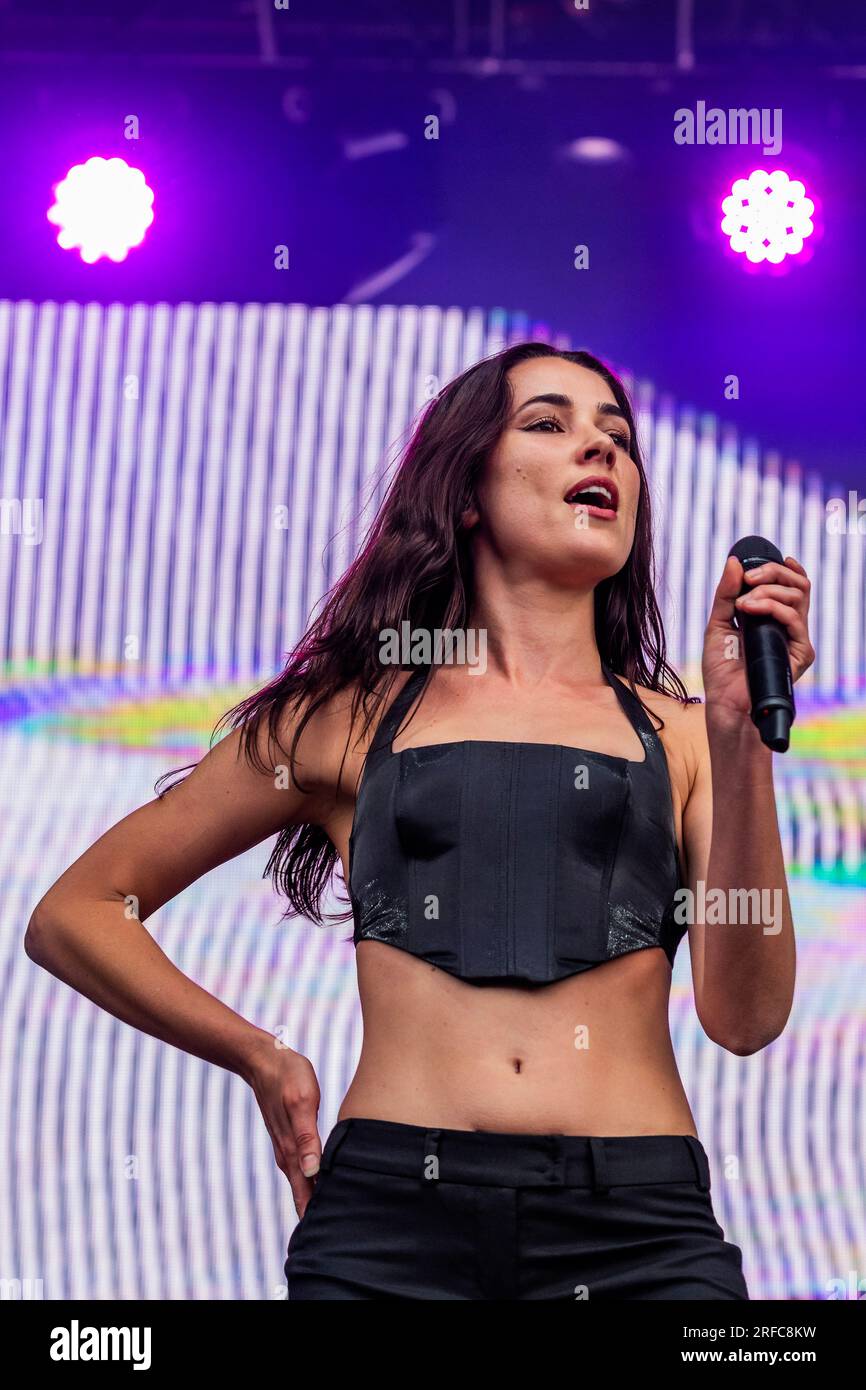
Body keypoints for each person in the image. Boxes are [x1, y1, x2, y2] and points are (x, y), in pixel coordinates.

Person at [25, 343, 814, 1300]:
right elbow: (78, 911)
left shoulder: (684, 735)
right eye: (549, 424)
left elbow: (747, 1016)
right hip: (389, 1226)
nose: (600, 452)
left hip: (639, 1230)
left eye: (618, 436)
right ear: (468, 487)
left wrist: (739, 738)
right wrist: (260, 1057)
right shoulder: (345, 716)